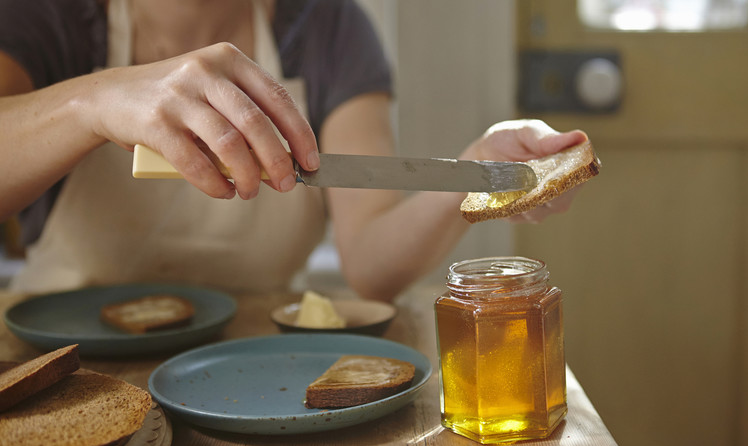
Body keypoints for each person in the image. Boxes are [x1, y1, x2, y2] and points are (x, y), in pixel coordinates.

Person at [0, 0, 588, 301]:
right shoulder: (46, 16)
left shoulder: (329, 27)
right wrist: (92, 103)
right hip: (66, 362)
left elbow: (372, 265)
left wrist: (476, 173)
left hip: (260, 368)